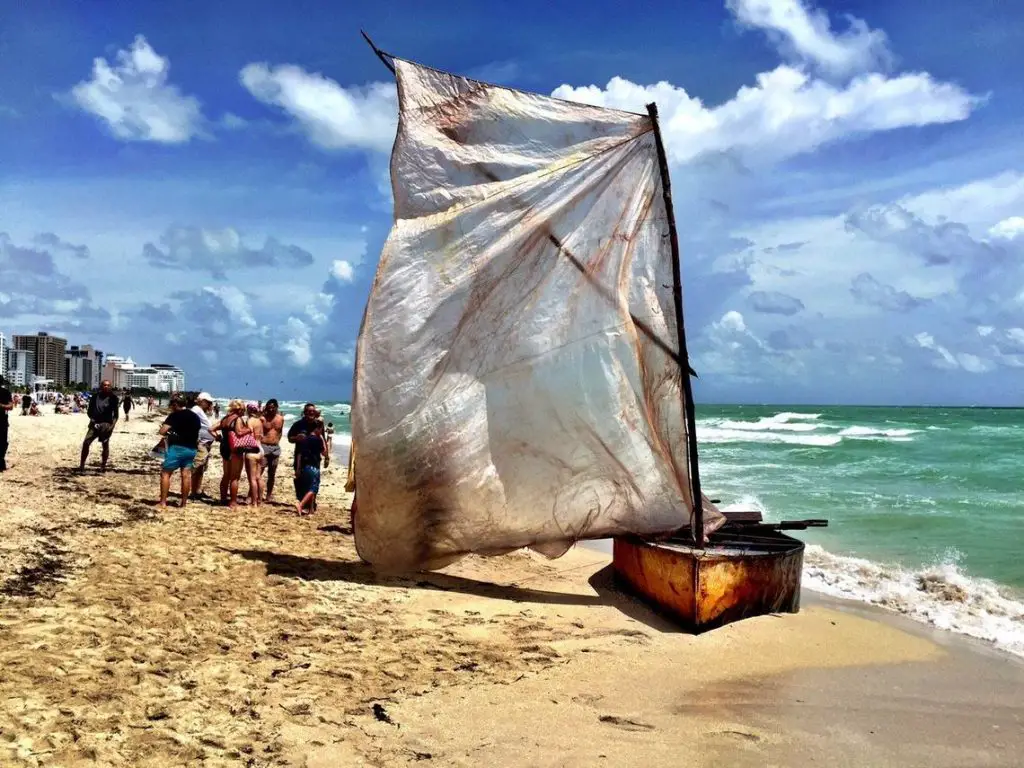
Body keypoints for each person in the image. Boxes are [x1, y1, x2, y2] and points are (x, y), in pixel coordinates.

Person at [157, 393, 201, 508]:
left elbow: (162, 431)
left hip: (177, 448)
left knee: (165, 473)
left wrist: (169, 431)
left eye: (172, 405)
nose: (171, 407)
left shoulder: (174, 415)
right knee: (186, 475)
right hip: (191, 449)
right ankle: (184, 503)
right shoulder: (195, 416)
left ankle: (163, 502)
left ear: (175, 404)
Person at [213, 399, 255, 509]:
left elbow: (211, 429)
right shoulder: (237, 419)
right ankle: (232, 502)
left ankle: (223, 499)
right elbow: (239, 432)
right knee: (235, 477)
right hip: (235, 449)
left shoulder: (225, 419)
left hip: (224, 447)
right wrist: (249, 430)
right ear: (239, 409)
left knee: (226, 475)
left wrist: (217, 437)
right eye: (243, 409)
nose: (244, 411)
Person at [80, 380, 119, 471]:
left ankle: (103, 466)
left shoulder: (113, 398)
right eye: (104, 385)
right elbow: (89, 412)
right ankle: (82, 465)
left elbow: (116, 415)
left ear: (110, 387)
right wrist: (93, 420)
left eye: (108, 385)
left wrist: (111, 427)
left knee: (105, 445)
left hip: (106, 425)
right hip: (94, 423)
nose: (106, 386)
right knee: (86, 443)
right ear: (101, 386)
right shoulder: (95, 397)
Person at [295, 421, 327, 515]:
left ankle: (311, 509)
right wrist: (323, 439)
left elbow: (299, 454)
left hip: (304, 466)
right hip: (314, 466)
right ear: (318, 428)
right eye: (321, 429)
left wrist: (298, 468)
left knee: (308, 487)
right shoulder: (317, 440)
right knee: (313, 488)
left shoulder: (304, 439)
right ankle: (300, 505)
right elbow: (324, 452)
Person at [190, 392, 217, 500]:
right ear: (202, 401)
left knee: (201, 468)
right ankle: (193, 492)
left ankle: (197, 490)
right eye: (208, 402)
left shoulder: (201, 411)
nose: (210, 404)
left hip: (205, 443)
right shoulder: (196, 410)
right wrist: (196, 439)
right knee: (196, 467)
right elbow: (191, 424)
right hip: (201, 443)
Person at [259, 399, 285, 503]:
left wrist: (276, 442)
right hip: (264, 446)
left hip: (275, 448)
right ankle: (254, 494)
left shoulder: (281, 419)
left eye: (273, 407)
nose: (271, 409)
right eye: (269, 407)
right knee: (258, 472)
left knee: (272, 474)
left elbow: (280, 432)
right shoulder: (262, 418)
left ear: (276, 407)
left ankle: (268, 495)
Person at [243, 401, 265, 507]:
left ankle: (254, 502)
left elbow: (248, 434)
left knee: (252, 478)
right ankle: (260, 500)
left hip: (252, 449)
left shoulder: (249, 421)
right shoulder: (260, 421)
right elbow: (261, 436)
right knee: (258, 477)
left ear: (249, 410)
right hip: (261, 449)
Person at [0, 383, 13, 472]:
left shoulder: (5, 392)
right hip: (3, 421)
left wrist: (1, 406)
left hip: (2, 421)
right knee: (3, 442)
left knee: (3, 443)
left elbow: (11, 406)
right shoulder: (6, 392)